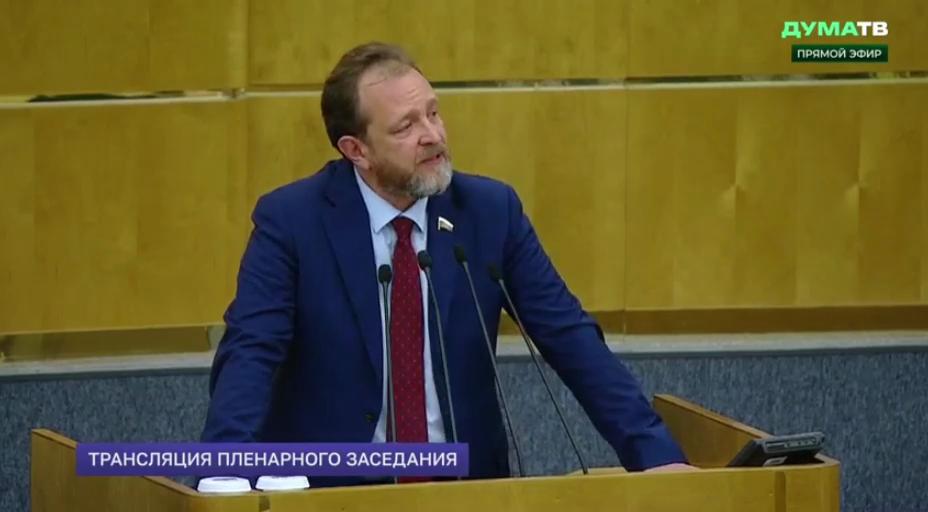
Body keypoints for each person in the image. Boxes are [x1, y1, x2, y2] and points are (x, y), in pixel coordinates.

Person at [201, 42, 691, 487]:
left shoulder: (489, 213)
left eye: (433, 113)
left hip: (465, 488)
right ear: (356, 150)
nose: (433, 135)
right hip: (336, 490)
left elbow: (571, 338)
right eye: (406, 127)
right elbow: (251, 350)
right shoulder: (293, 222)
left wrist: (656, 458)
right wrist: (225, 470)